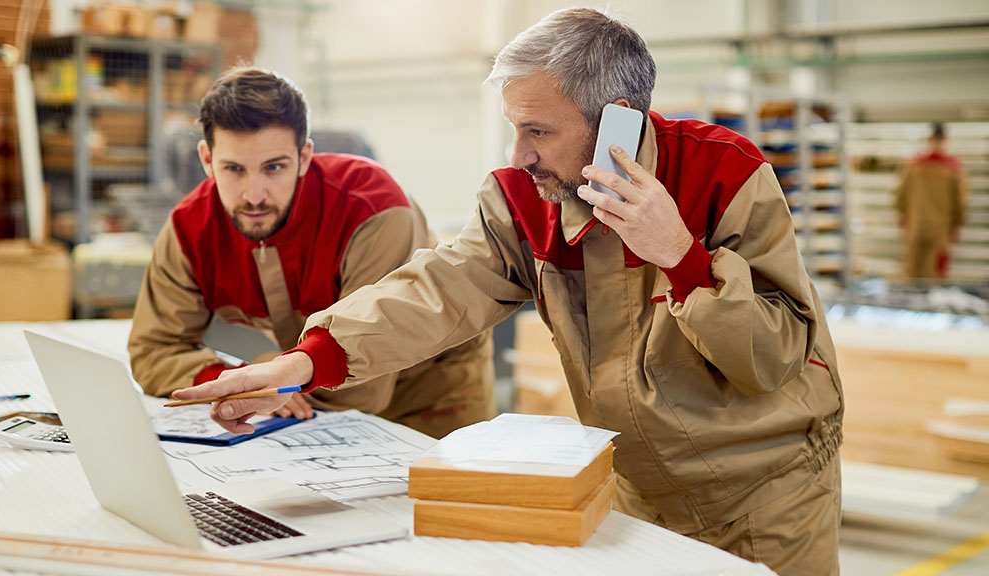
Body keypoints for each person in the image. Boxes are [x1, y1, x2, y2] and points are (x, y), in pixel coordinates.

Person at [174, 10, 844, 576]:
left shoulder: (725, 174)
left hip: (765, 496)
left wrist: (680, 256)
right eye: (514, 127)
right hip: (636, 490)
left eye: (537, 131)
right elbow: (439, 289)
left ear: (616, 123)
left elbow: (774, 357)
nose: (517, 153)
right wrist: (309, 359)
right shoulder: (526, 199)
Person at [128, 67, 494, 439]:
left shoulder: (374, 210)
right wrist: (235, 382)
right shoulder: (190, 228)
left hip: (429, 391)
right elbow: (152, 350)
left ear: (304, 156)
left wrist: (274, 379)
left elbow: (363, 388)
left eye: (274, 167)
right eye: (234, 169)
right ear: (207, 159)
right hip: (304, 389)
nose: (254, 195)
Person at [895, 122, 967, 279]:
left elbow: (901, 194)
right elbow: (959, 200)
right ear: (946, 140)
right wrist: (957, 224)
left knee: (914, 269)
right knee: (934, 272)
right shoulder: (953, 167)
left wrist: (902, 217)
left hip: (917, 224)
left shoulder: (914, 164)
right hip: (939, 227)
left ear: (929, 139)